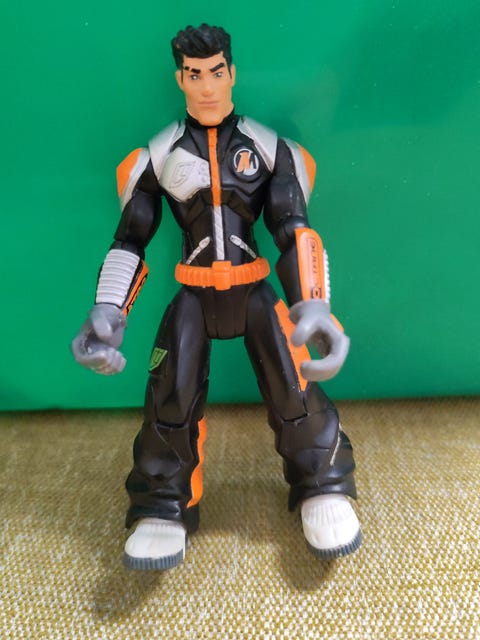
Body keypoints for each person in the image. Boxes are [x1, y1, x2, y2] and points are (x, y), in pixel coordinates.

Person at [72, 23, 361, 570]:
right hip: (193, 295)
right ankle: (163, 501)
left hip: (255, 291)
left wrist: (315, 303)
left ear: (232, 73)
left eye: (216, 72)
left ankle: (322, 482)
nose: (206, 86)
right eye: (194, 74)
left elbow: (293, 229)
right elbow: (130, 238)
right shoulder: (157, 155)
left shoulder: (271, 148)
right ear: (179, 78)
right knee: (170, 396)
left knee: (295, 387)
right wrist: (108, 309)